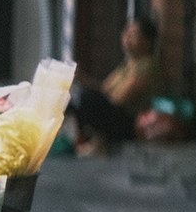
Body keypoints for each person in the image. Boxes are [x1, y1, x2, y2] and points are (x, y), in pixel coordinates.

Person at [70, 17, 163, 152]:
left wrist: (94, 94)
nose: (127, 37)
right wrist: (82, 79)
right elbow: (104, 88)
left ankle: (100, 141)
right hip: (117, 114)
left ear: (147, 42)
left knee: (87, 99)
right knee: (76, 95)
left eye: (134, 34)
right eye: (127, 32)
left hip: (132, 123)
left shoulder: (148, 66)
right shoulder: (127, 66)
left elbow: (119, 99)